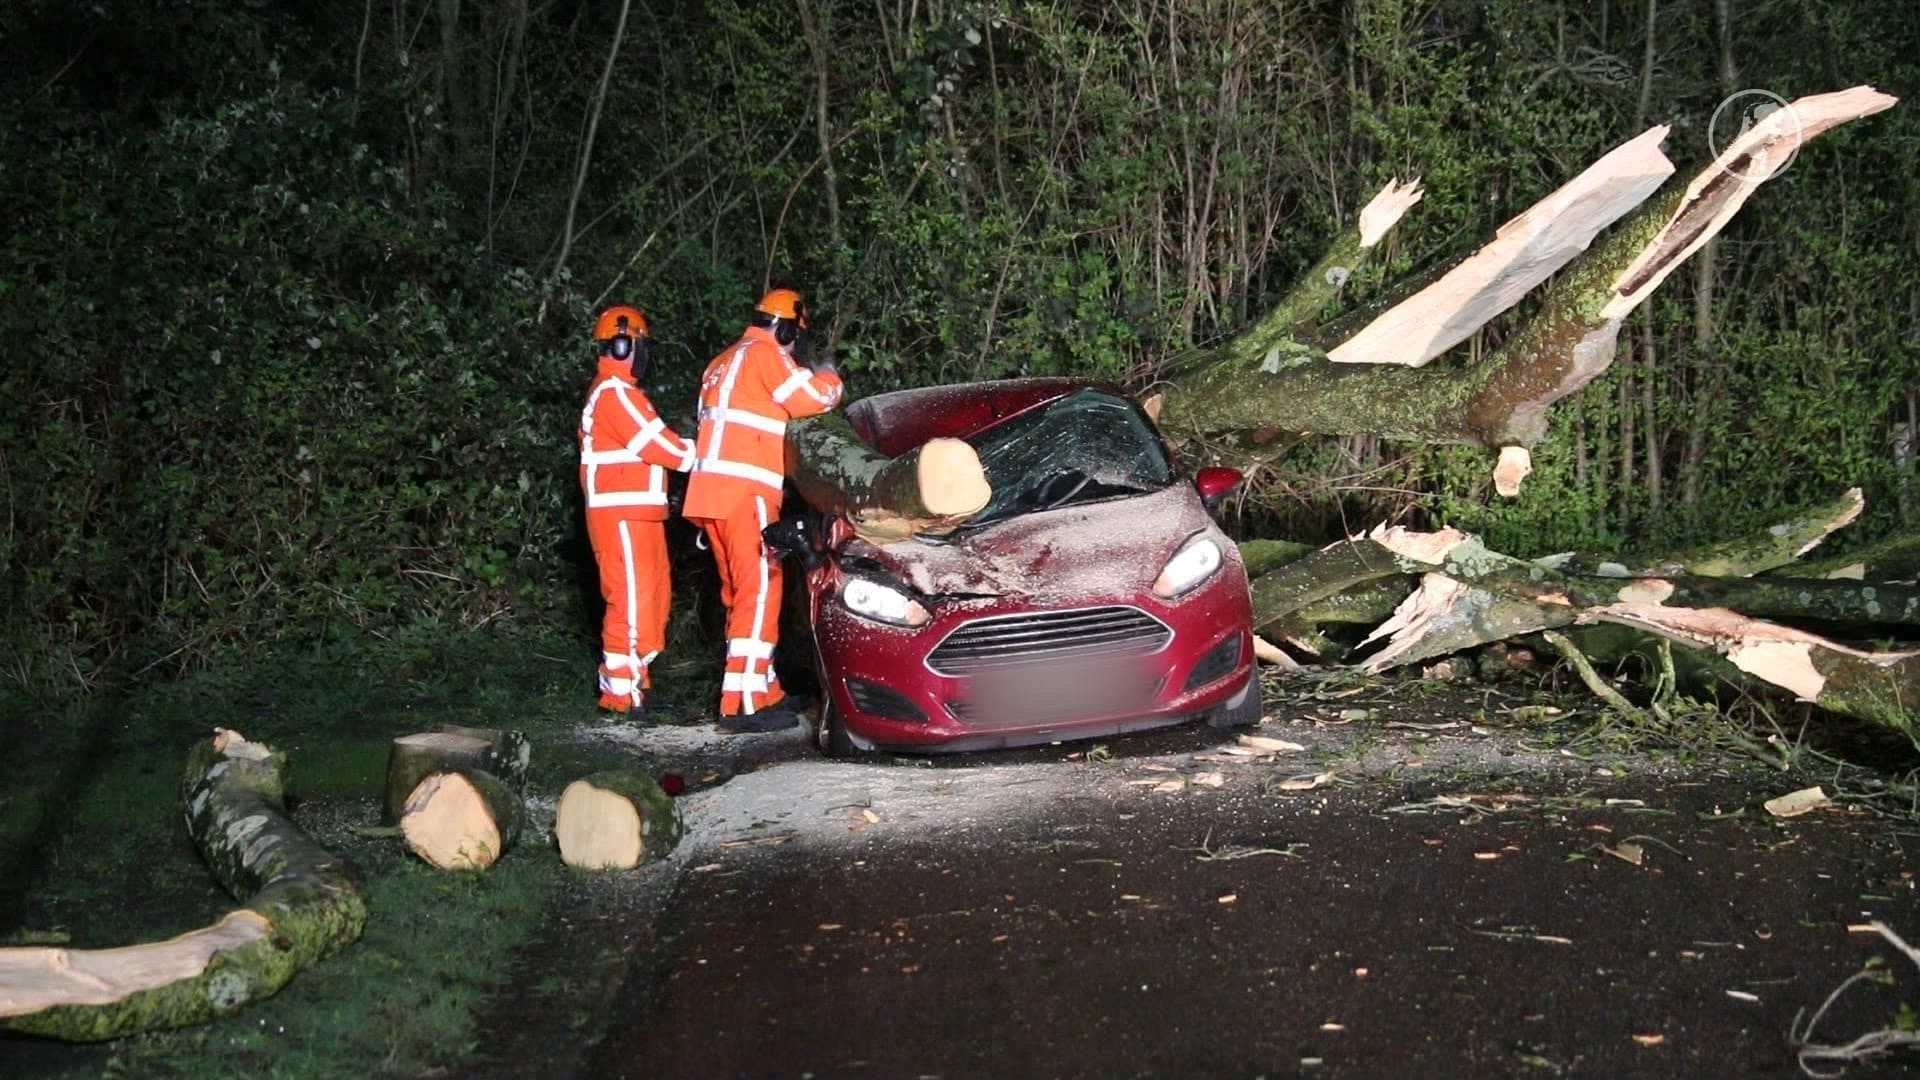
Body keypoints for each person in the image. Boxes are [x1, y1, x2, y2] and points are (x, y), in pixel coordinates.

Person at [684, 287, 844, 732]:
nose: (794, 348)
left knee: (738, 593)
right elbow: (810, 399)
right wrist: (830, 377)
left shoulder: (719, 364)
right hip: (746, 490)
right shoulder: (765, 355)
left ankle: (759, 687)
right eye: (795, 338)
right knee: (760, 588)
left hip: (709, 493)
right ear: (787, 329)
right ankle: (744, 704)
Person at [579, 304, 695, 719]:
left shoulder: (626, 394)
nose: (645, 355)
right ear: (622, 345)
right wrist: (700, 452)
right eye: (640, 346)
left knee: (651, 598)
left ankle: (637, 682)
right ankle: (619, 694)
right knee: (628, 601)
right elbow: (659, 445)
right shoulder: (613, 393)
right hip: (620, 513)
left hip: (641, 513)